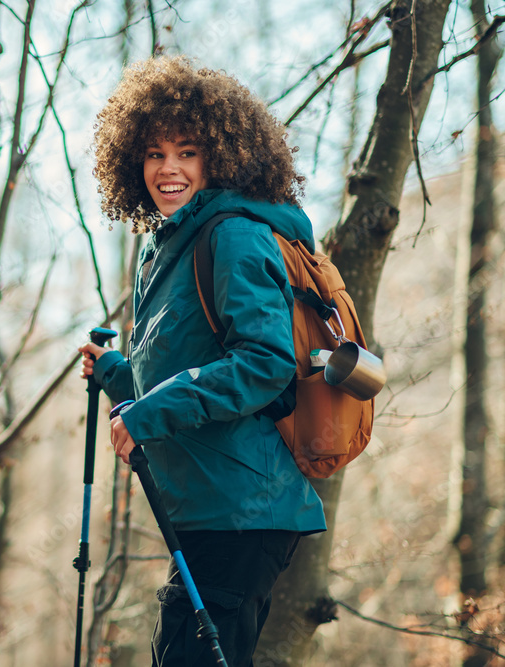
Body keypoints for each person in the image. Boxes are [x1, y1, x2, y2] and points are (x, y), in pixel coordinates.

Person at [77, 56, 327, 666]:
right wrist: (114, 374)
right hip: (207, 509)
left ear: (219, 156)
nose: (169, 169)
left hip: (244, 507)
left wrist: (147, 414)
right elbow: (174, 376)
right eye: (155, 153)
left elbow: (264, 363)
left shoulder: (232, 235)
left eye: (187, 152)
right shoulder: (166, 250)